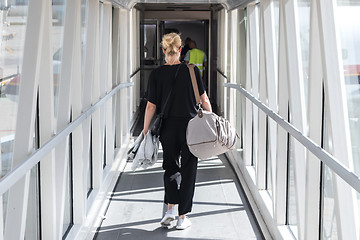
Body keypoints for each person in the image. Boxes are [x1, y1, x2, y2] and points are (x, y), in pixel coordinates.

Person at [143, 33, 212, 230]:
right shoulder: (192, 71)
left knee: (171, 167)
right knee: (189, 168)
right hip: (191, 127)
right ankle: (182, 217)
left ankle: (170, 209)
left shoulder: (156, 74)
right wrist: (212, 119)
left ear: (163, 51)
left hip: (167, 128)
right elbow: (204, 100)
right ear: (181, 50)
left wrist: (145, 129)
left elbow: (150, 106)